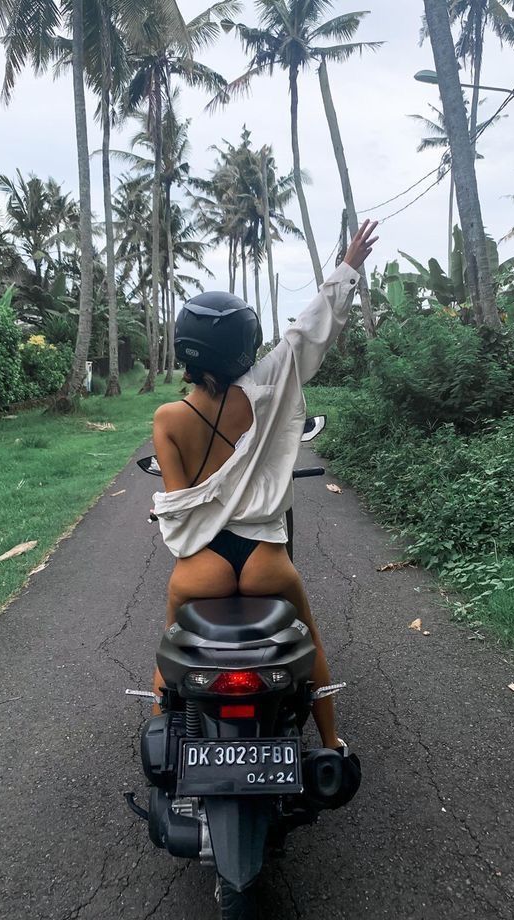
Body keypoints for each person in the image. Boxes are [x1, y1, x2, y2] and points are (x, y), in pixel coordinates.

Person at [150, 219, 379, 753]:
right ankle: (329, 744)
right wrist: (346, 267)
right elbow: (308, 332)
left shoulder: (167, 418)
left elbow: (182, 508)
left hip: (200, 569)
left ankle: (164, 736)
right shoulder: (271, 388)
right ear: (245, 344)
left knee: (169, 648)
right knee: (309, 637)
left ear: (186, 348)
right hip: (264, 561)